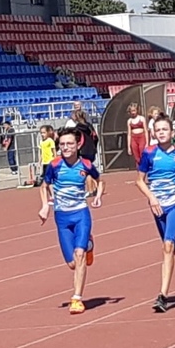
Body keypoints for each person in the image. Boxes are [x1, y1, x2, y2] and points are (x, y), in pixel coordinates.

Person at [137, 115, 175, 313]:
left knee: (167, 246)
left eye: (165, 129)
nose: (162, 132)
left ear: (172, 133)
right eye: (158, 130)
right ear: (154, 133)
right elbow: (139, 180)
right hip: (157, 206)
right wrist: (152, 198)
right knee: (172, 247)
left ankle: (162, 295)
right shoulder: (148, 153)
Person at [39, 127, 104, 315]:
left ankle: (77, 298)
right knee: (72, 263)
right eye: (62, 144)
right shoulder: (55, 165)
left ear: (78, 145)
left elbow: (100, 180)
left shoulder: (86, 165)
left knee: (79, 254)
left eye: (69, 144)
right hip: (62, 217)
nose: (66, 147)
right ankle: (89, 245)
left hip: (81, 214)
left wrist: (97, 197)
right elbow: (44, 186)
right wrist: (45, 206)